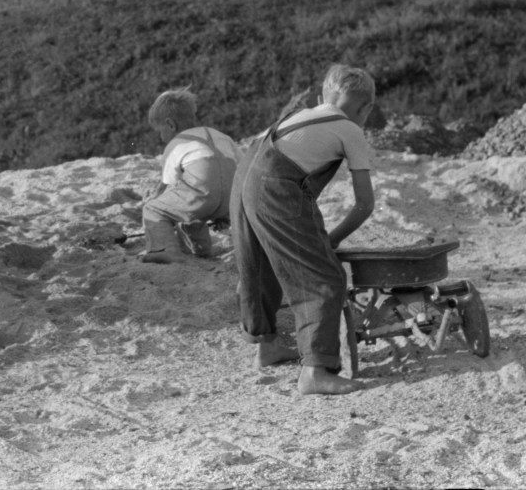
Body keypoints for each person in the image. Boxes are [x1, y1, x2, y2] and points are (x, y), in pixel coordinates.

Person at [230, 63, 378, 396]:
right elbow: (365, 204)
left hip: (245, 180)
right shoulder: (350, 129)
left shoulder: (296, 116)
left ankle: (265, 347)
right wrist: (332, 240)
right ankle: (315, 372)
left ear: (321, 95)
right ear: (366, 107)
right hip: (275, 188)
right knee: (322, 276)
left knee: (261, 265)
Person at [138, 88, 240, 265]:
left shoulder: (176, 144)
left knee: (155, 209)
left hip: (202, 195)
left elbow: (168, 186)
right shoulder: (221, 136)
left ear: (171, 125)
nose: (161, 138)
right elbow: (241, 167)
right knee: (189, 210)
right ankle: (201, 249)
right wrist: (224, 214)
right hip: (231, 200)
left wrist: (153, 203)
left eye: (160, 131)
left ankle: (162, 250)